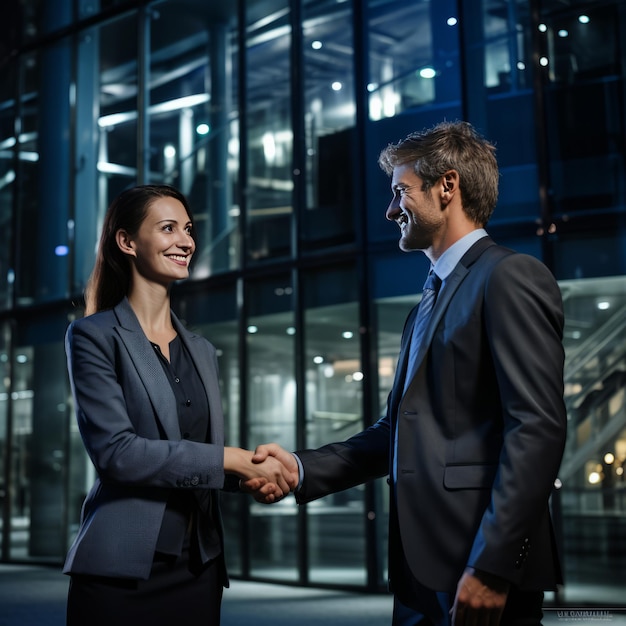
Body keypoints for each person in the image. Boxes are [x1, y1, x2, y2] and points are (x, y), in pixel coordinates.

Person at [253, 121, 567, 626]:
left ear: (448, 186)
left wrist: (492, 564)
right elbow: (394, 433)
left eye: (401, 192)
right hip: (420, 569)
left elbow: (537, 429)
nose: (391, 210)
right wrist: (299, 467)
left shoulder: (509, 276)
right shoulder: (425, 303)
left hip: (477, 566)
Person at [63, 184, 297, 626]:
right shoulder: (94, 336)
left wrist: (251, 473)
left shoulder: (202, 350)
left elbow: (196, 454)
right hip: (121, 573)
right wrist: (233, 461)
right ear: (127, 242)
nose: (186, 241)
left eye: (188, 229)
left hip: (198, 568)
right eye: (168, 228)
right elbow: (118, 454)